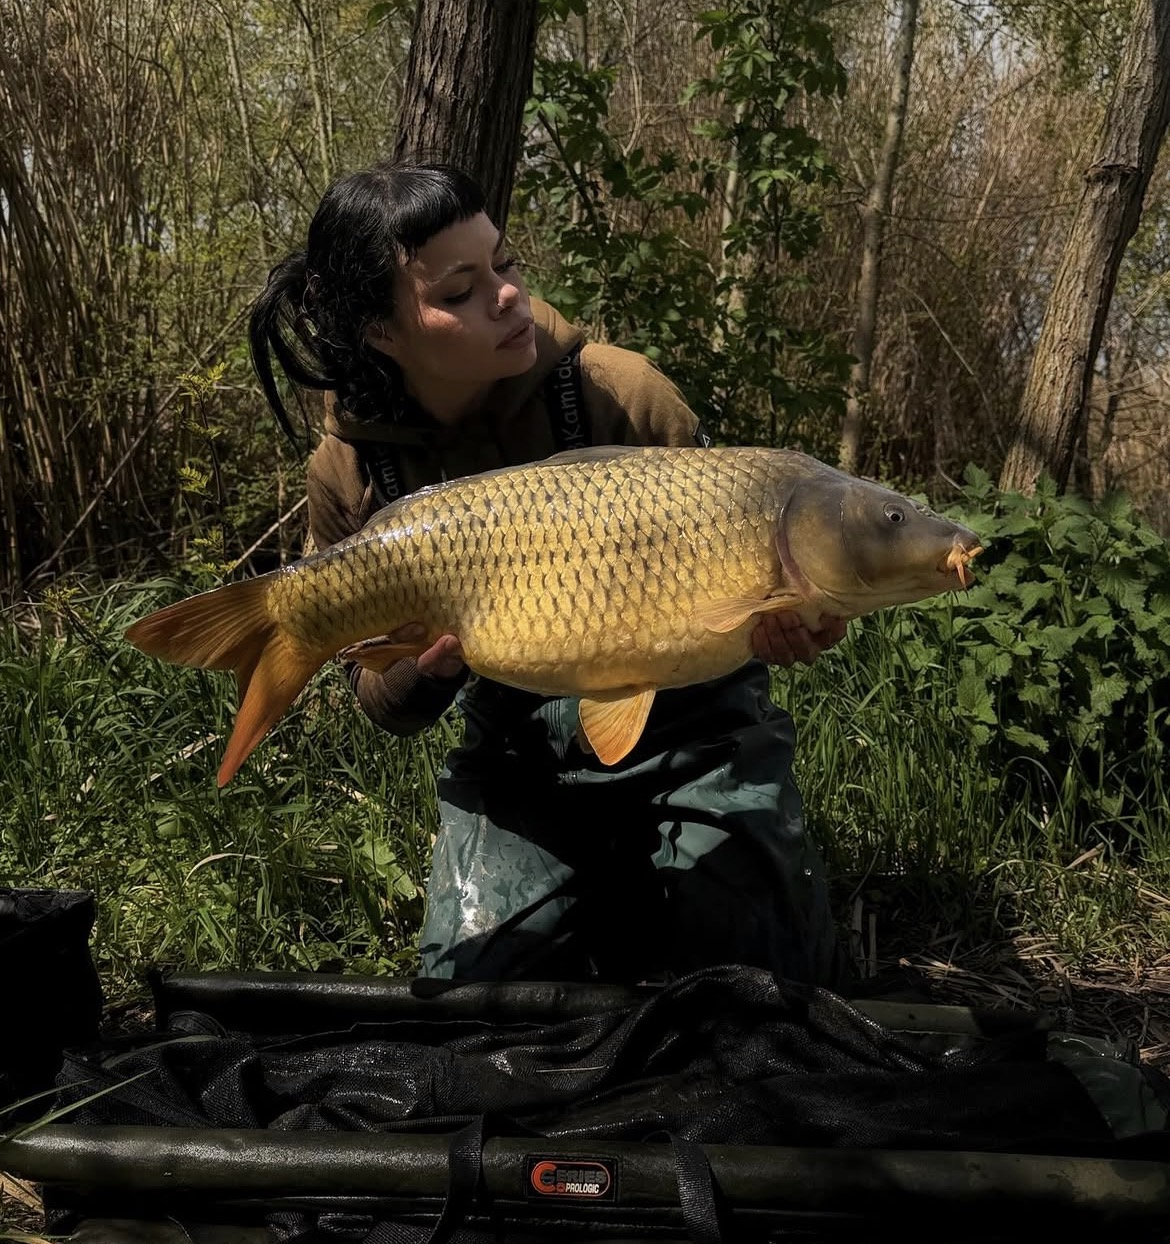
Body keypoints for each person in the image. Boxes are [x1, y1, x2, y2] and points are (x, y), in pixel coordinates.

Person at [249, 159, 849, 988]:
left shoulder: (620, 393)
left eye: (505, 264)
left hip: (696, 728)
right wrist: (423, 675)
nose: (504, 295)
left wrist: (786, 622)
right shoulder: (350, 471)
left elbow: (757, 571)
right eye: (458, 291)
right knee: (477, 993)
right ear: (383, 333)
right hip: (520, 749)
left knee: (765, 982)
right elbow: (380, 700)